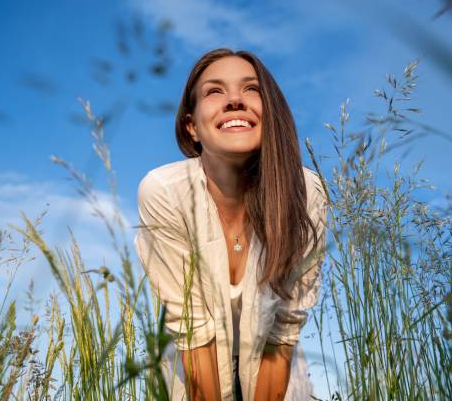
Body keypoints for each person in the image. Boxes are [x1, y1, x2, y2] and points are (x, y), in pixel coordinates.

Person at [134, 48, 327, 401]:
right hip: (188, 364)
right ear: (192, 126)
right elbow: (191, 331)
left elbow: (282, 332)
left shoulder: (307, 193)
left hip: (278, 368)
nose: (235, 99)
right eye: (214, 91)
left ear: (271, 116)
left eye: (251, 89)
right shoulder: (163, 192)